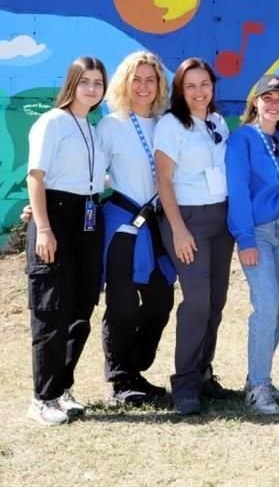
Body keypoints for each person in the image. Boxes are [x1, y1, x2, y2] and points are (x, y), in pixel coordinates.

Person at [24, 56, 108, 425]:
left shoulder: (91, 126)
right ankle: (43, 398)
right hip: (56, 219)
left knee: (81, 310)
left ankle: (62, 388)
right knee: (50, 312)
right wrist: (42, 226)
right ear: (71, 83)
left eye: (97, 82)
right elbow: (36, 177)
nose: (92, 88)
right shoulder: (52, 122)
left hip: (88, 217)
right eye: (85, 81)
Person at [154, 58, 235, 416]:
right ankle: (184, 384)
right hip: (187, 219)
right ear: (179, 91)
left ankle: (203, 373)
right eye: (190, 86)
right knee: (197, 302)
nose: (199, 92)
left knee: (216, 303)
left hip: (221, 219)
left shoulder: (217, 122)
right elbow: (164, 181)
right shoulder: (171, 125)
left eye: (205, 85)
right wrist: (178, 229)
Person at [98, 51, 176, 406]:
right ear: (124, 83)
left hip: (156, 225)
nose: (144, 86)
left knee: (161, 298)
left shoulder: (166, 123)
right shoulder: (111, 125)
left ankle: (135, 367)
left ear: (160, 84)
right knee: (122, 304)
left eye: (151, 79)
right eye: (137, 79)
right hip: (122, 225)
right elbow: (91, 176)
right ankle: (120, 380)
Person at [226, 74, 279, 416]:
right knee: (266, 306)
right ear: (255, 102)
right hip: (256, 232)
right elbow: (237, 191)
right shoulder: (242, 139)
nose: (273, 104)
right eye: (266, 98)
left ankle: (259, 377)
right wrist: (245, 238)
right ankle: (257, 387)